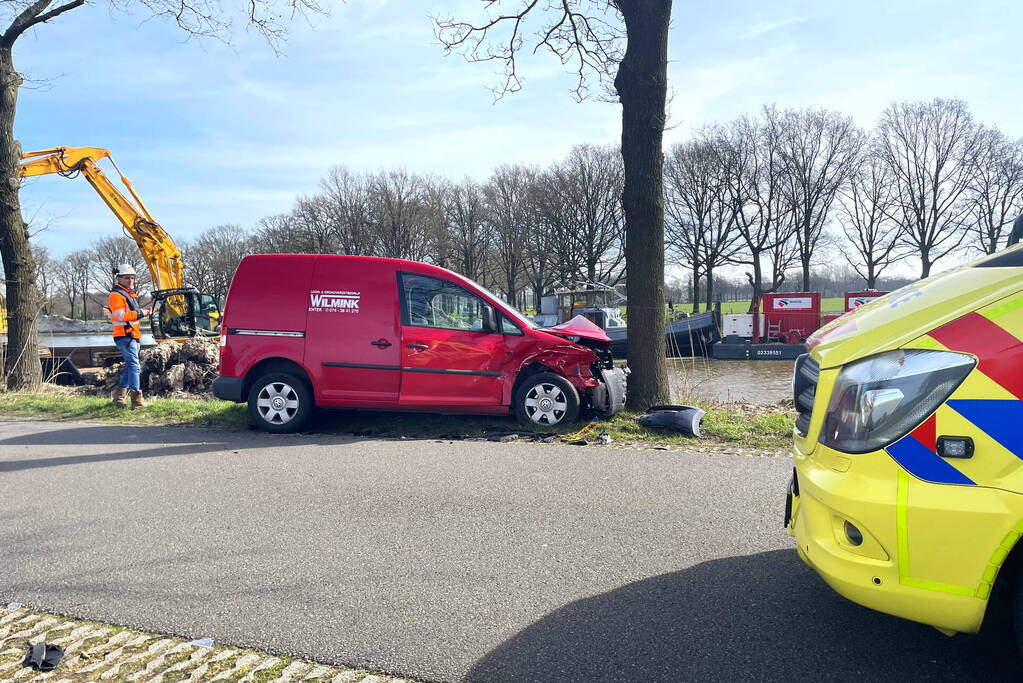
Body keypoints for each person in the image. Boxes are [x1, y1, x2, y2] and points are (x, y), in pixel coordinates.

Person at [105, 265, 152, 409]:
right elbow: (120, 316)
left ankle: (119, 397)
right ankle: (137, 400)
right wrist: (142, 313)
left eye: (132, 278)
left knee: (130, 367)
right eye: (127, 278)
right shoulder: (117, 295)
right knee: (134, 366)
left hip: (132, 336)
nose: (131, 280)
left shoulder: (128, 295)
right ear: (119, 279)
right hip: (125, 336)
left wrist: (142, 312)